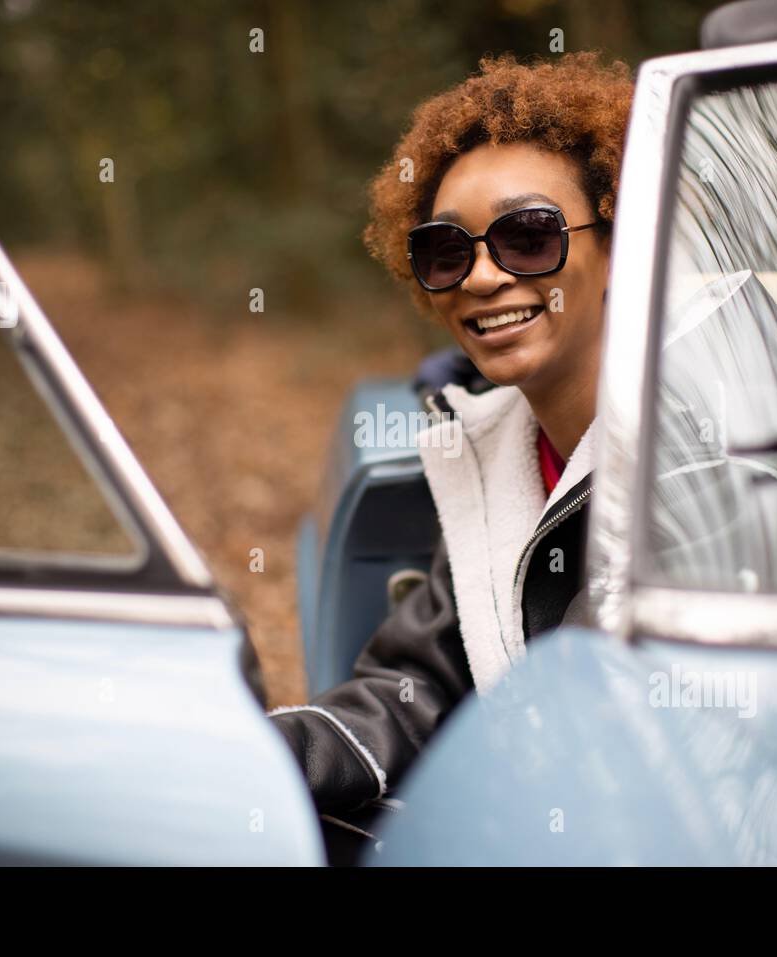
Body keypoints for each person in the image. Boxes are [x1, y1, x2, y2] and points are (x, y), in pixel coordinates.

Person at [269, 52, 633, 838]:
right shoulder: (490, 453)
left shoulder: (719, 443)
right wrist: (259, 756)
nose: (480, 277)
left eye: (528, 237)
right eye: (445, 251)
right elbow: (416, 685)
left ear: (621, 243)